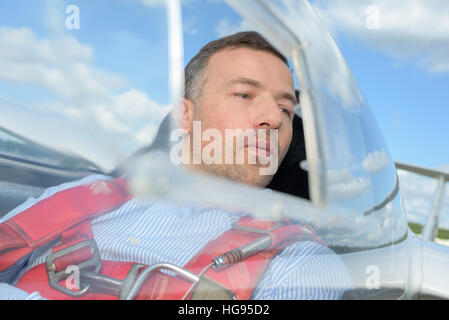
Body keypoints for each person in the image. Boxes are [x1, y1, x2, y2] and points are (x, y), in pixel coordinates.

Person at [0, 31, 352, 300]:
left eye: (286, 109)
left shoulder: (298, 263)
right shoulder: (78, 196)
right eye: (245, 95)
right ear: (187, 115)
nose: (273, 119)